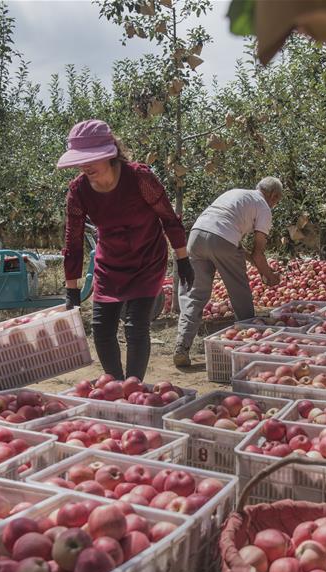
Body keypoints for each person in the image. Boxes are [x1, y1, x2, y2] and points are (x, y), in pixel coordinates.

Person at [59, 119, 193, 381]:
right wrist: (71, 290)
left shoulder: (139, 177)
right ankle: (115, 385)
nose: (85, 165)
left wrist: (183, 258)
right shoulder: (79, 190)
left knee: (136, 327)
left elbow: (167, 217)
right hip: (110, 263)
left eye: (91, 158)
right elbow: (72, 240)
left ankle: (134, 389)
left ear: (110, 154)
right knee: (101, 328)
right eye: (81, 160)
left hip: (147, 259)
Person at [173, 178, 284, 367]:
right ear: (274, 196)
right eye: (277, 201)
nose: (274, 205)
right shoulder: (263, 206)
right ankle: (248, 348)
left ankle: (182, 345)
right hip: (222, 239)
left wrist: (260, 268)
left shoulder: (236, 193)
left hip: (196, 237)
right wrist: (270, 276)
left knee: (195, 295)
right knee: (240, 293)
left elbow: (236, 245)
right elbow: (258, 252)